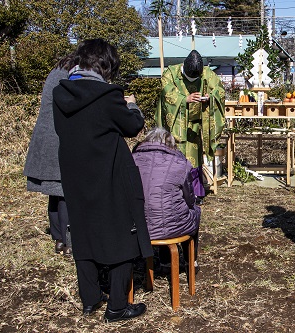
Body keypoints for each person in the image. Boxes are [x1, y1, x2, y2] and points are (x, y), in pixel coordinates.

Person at [53, 39, 153, 322]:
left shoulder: (61, 95)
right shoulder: (107, 96)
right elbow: (133, 127)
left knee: (83, 233)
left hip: (74, 174)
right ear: (106, 66)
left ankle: (90, 299)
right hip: (109, 174)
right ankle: (117, 307)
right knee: (122, 237)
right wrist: (132, 106)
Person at [155, 50, 226, 201]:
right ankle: (175, 193)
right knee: (176, 156)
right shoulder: (171, 73)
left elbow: (219, 90)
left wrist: (210, 98)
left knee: (194, 157)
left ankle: (195, 192)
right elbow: (166, 92)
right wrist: (184, 99)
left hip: (195, 124)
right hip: (175, 123)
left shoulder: (207, 73)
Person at [23, 53, 73, 256]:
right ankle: (69, 242)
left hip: (45, 137)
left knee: (54, 192)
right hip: (57, 138)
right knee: (65, 192)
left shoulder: (55, 72)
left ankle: (59, 238)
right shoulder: (67, 75)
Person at [132, 127, 201, 270]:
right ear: (171, 144)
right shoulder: (180, 163)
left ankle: (165, 261)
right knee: (193, 212)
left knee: (160, 211)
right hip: (170, 227)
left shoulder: (132, 159)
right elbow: (189, 199)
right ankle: (190, 261)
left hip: (136, 225)